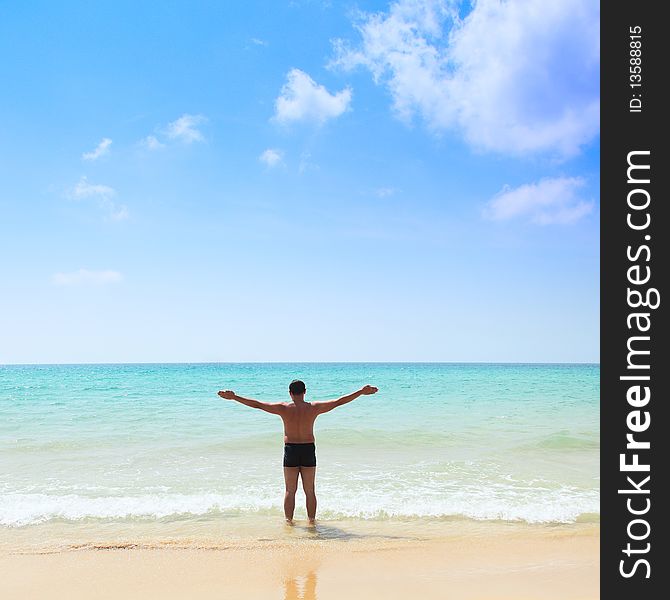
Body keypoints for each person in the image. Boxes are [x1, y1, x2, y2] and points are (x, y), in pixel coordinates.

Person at [217, 380, 378, 525]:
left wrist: (234, 397)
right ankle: (311, 521)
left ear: (290, 393)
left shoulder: (283, 408)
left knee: (290, 490)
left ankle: (289, 522)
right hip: (308, 449)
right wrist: (360, 392)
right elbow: (338, 402)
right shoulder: (314, 408)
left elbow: (258, 404)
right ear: (305, 391)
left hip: (291, 450)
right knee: (310, 490)